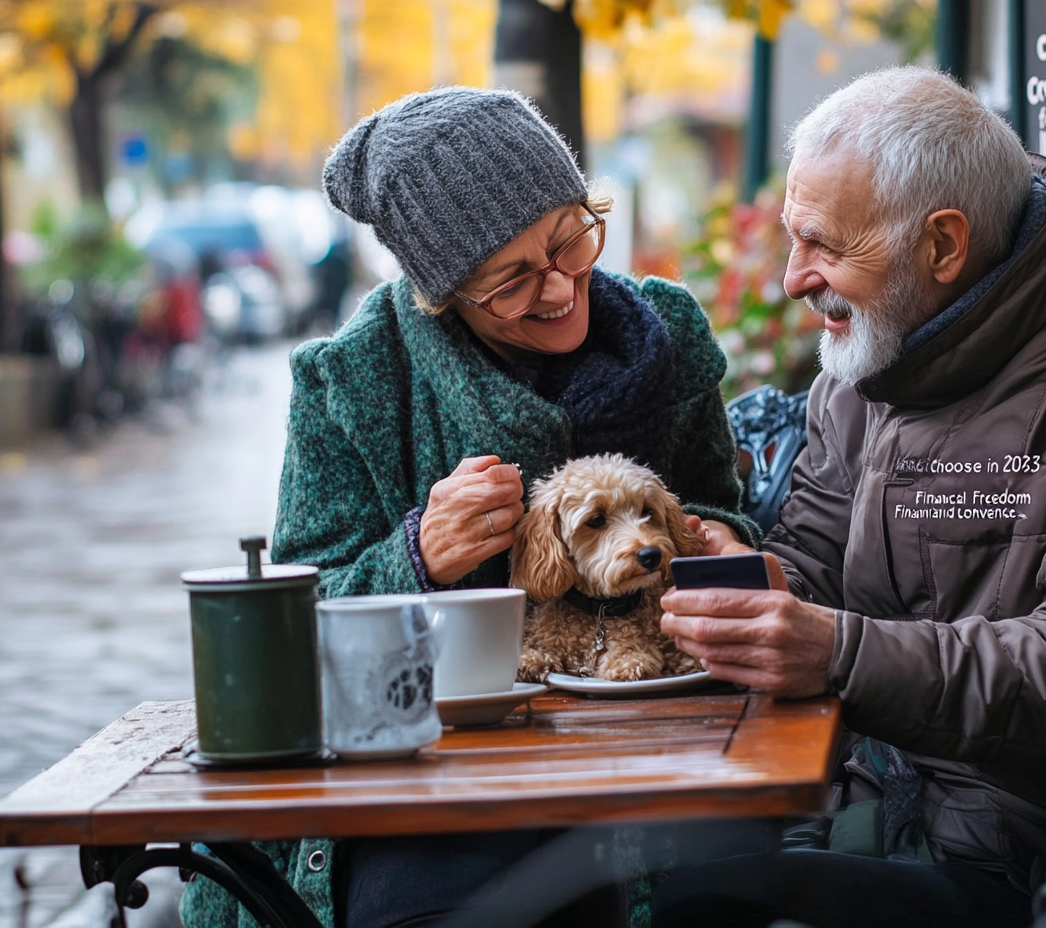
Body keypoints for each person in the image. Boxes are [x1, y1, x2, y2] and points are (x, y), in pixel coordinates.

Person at [657, 66, 1046, 927]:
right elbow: (813, 565)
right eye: (790, 239)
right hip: (862, 807)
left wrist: (839, 653)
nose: (792, 278)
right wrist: (754, 581)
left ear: (942, 247)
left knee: (698, 904)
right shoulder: (869, 359)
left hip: (1045, 866)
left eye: (823, 245)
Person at [180, 87, 757, 928]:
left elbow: (723, 510)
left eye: (570, 239)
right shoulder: (354, 379)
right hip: (431, 788)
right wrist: (417, 556)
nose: (560, 286)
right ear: (441, 296)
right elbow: (293, 619)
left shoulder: (664, 331)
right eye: (513, 279)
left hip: (659, 749)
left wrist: (715, 535)